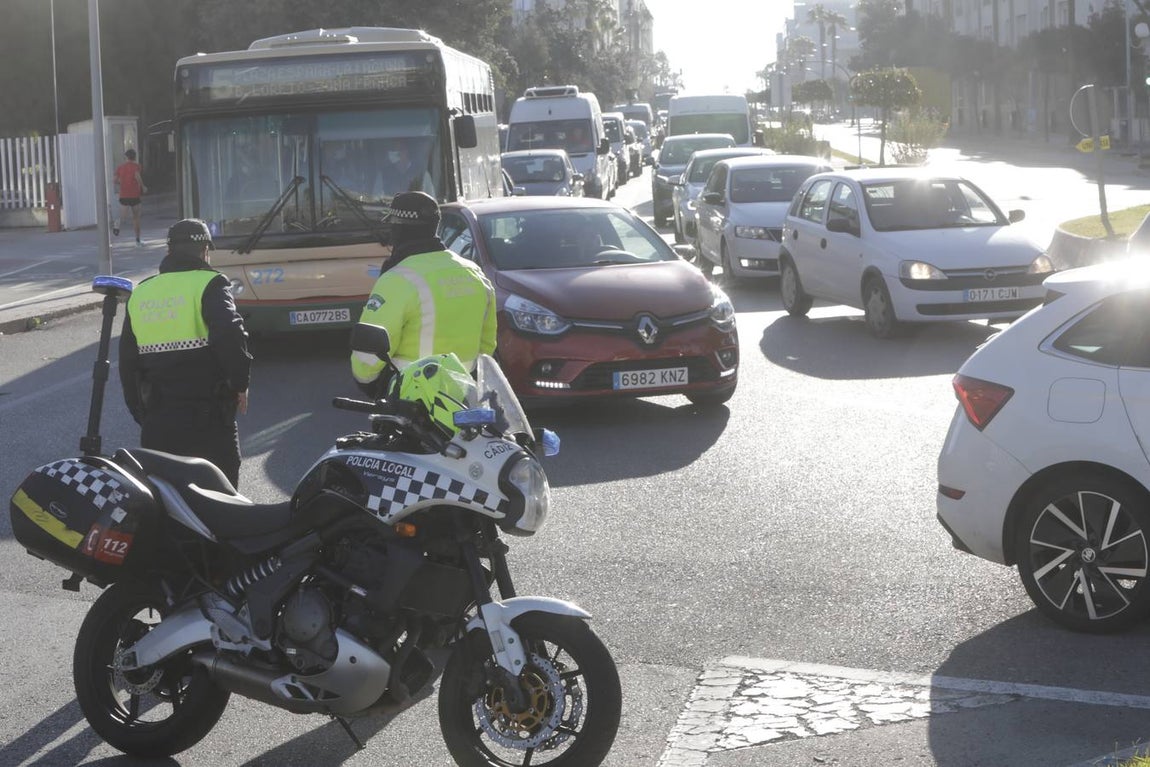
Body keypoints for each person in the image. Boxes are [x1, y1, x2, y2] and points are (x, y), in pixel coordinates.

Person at [119, 219, 252, 488]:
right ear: (205, 251)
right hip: (209, 421)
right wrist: (240, 384)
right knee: (221, 501)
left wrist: (141, 414)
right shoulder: (211, 284)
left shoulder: (142, 292)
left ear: (168, 252)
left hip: (159, 423)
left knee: (168, 504)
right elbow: (229, 334)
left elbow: (127, 363)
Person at [352, 191, 496, 397]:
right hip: (466, 395)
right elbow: (487, 343)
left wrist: (369, 383)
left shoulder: (396, 279)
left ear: (398, 229)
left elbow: (368, 357)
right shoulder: (473, 273)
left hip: (413, 400)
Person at [113, 149, 147, 245]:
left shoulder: (120, 167)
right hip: (135, 195)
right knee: (136, 218)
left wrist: (122, 183)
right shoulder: (136, 166)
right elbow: (137, 176)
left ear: (126, 157)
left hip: (124, 195)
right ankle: (137, 240)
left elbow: (115, 180)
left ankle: (117, 224)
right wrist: (143, 186)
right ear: (135, 157)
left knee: (122, 216)